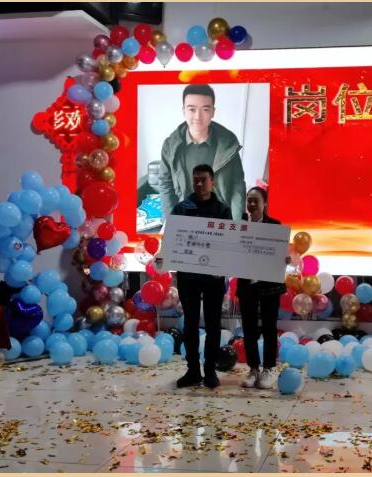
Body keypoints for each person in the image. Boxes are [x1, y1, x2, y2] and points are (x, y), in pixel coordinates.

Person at [171, 164, 232, 389]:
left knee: (213, 325)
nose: (199, 184)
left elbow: (229, 243)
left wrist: (223, 263)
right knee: (190, 324)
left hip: (213, 278)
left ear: (212, 182)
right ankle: (193, 370)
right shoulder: (181, 209)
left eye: (203, 179)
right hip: (188, 277)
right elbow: (173, 240)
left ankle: (210, 371)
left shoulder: (223, 211)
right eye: (195, 179)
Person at [159, 84, 246, 221]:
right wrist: (170, 221)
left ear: (213, 112)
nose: (198, 117)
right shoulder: (170, 145)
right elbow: (165, 183)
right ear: (184, 111)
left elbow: (237, 183)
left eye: (205, 109)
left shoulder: (228, 142)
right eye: (192, 109)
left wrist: (237, 222)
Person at [236, 187, 288, 389]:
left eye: (255, 200)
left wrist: (284, 258)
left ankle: (268, 368)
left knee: (269, 327)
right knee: (248, 328)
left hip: (269, 284)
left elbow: (281, 254)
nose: (251, 204)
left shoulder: (275, 226)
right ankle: (253, 369)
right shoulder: (239, 225)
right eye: (249, 200)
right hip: (246, 284)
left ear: (265, 203)